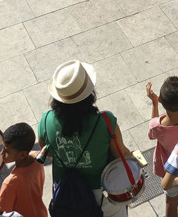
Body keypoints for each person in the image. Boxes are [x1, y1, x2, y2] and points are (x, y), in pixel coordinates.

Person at [38, 59, 136, 217]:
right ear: (89, 95)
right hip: (101, 195)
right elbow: (120, 154)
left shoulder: (45, 121)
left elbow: (48, 153)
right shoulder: (106, 121)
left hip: (64, 195)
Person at [148, 76, 178, 217]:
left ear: (160, 100)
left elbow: (153, 128)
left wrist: (154, 104)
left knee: (171, 202)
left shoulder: (156, 126)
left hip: (170, 173)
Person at [0, 122, 48, 217]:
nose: (2, 153)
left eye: (6, 150)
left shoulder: (10, 183)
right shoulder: (37, 158)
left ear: (22, 154)